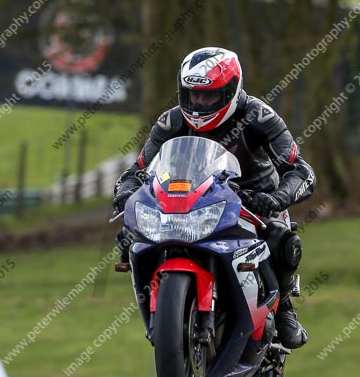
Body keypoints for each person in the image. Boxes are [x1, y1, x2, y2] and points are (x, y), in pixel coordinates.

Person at [113, 47, 316, 348]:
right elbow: (138, 170)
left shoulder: (259, 117)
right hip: (190, 201)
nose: (198, 103)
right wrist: (126, 192)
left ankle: (283, 307)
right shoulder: (171, 122)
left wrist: (277, 198)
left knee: (281, 240)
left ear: (231, 90)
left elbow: (301, 171)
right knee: (131, 236)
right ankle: (162, 310)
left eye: (208, 96)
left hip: (254, 204)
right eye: (192, 95)